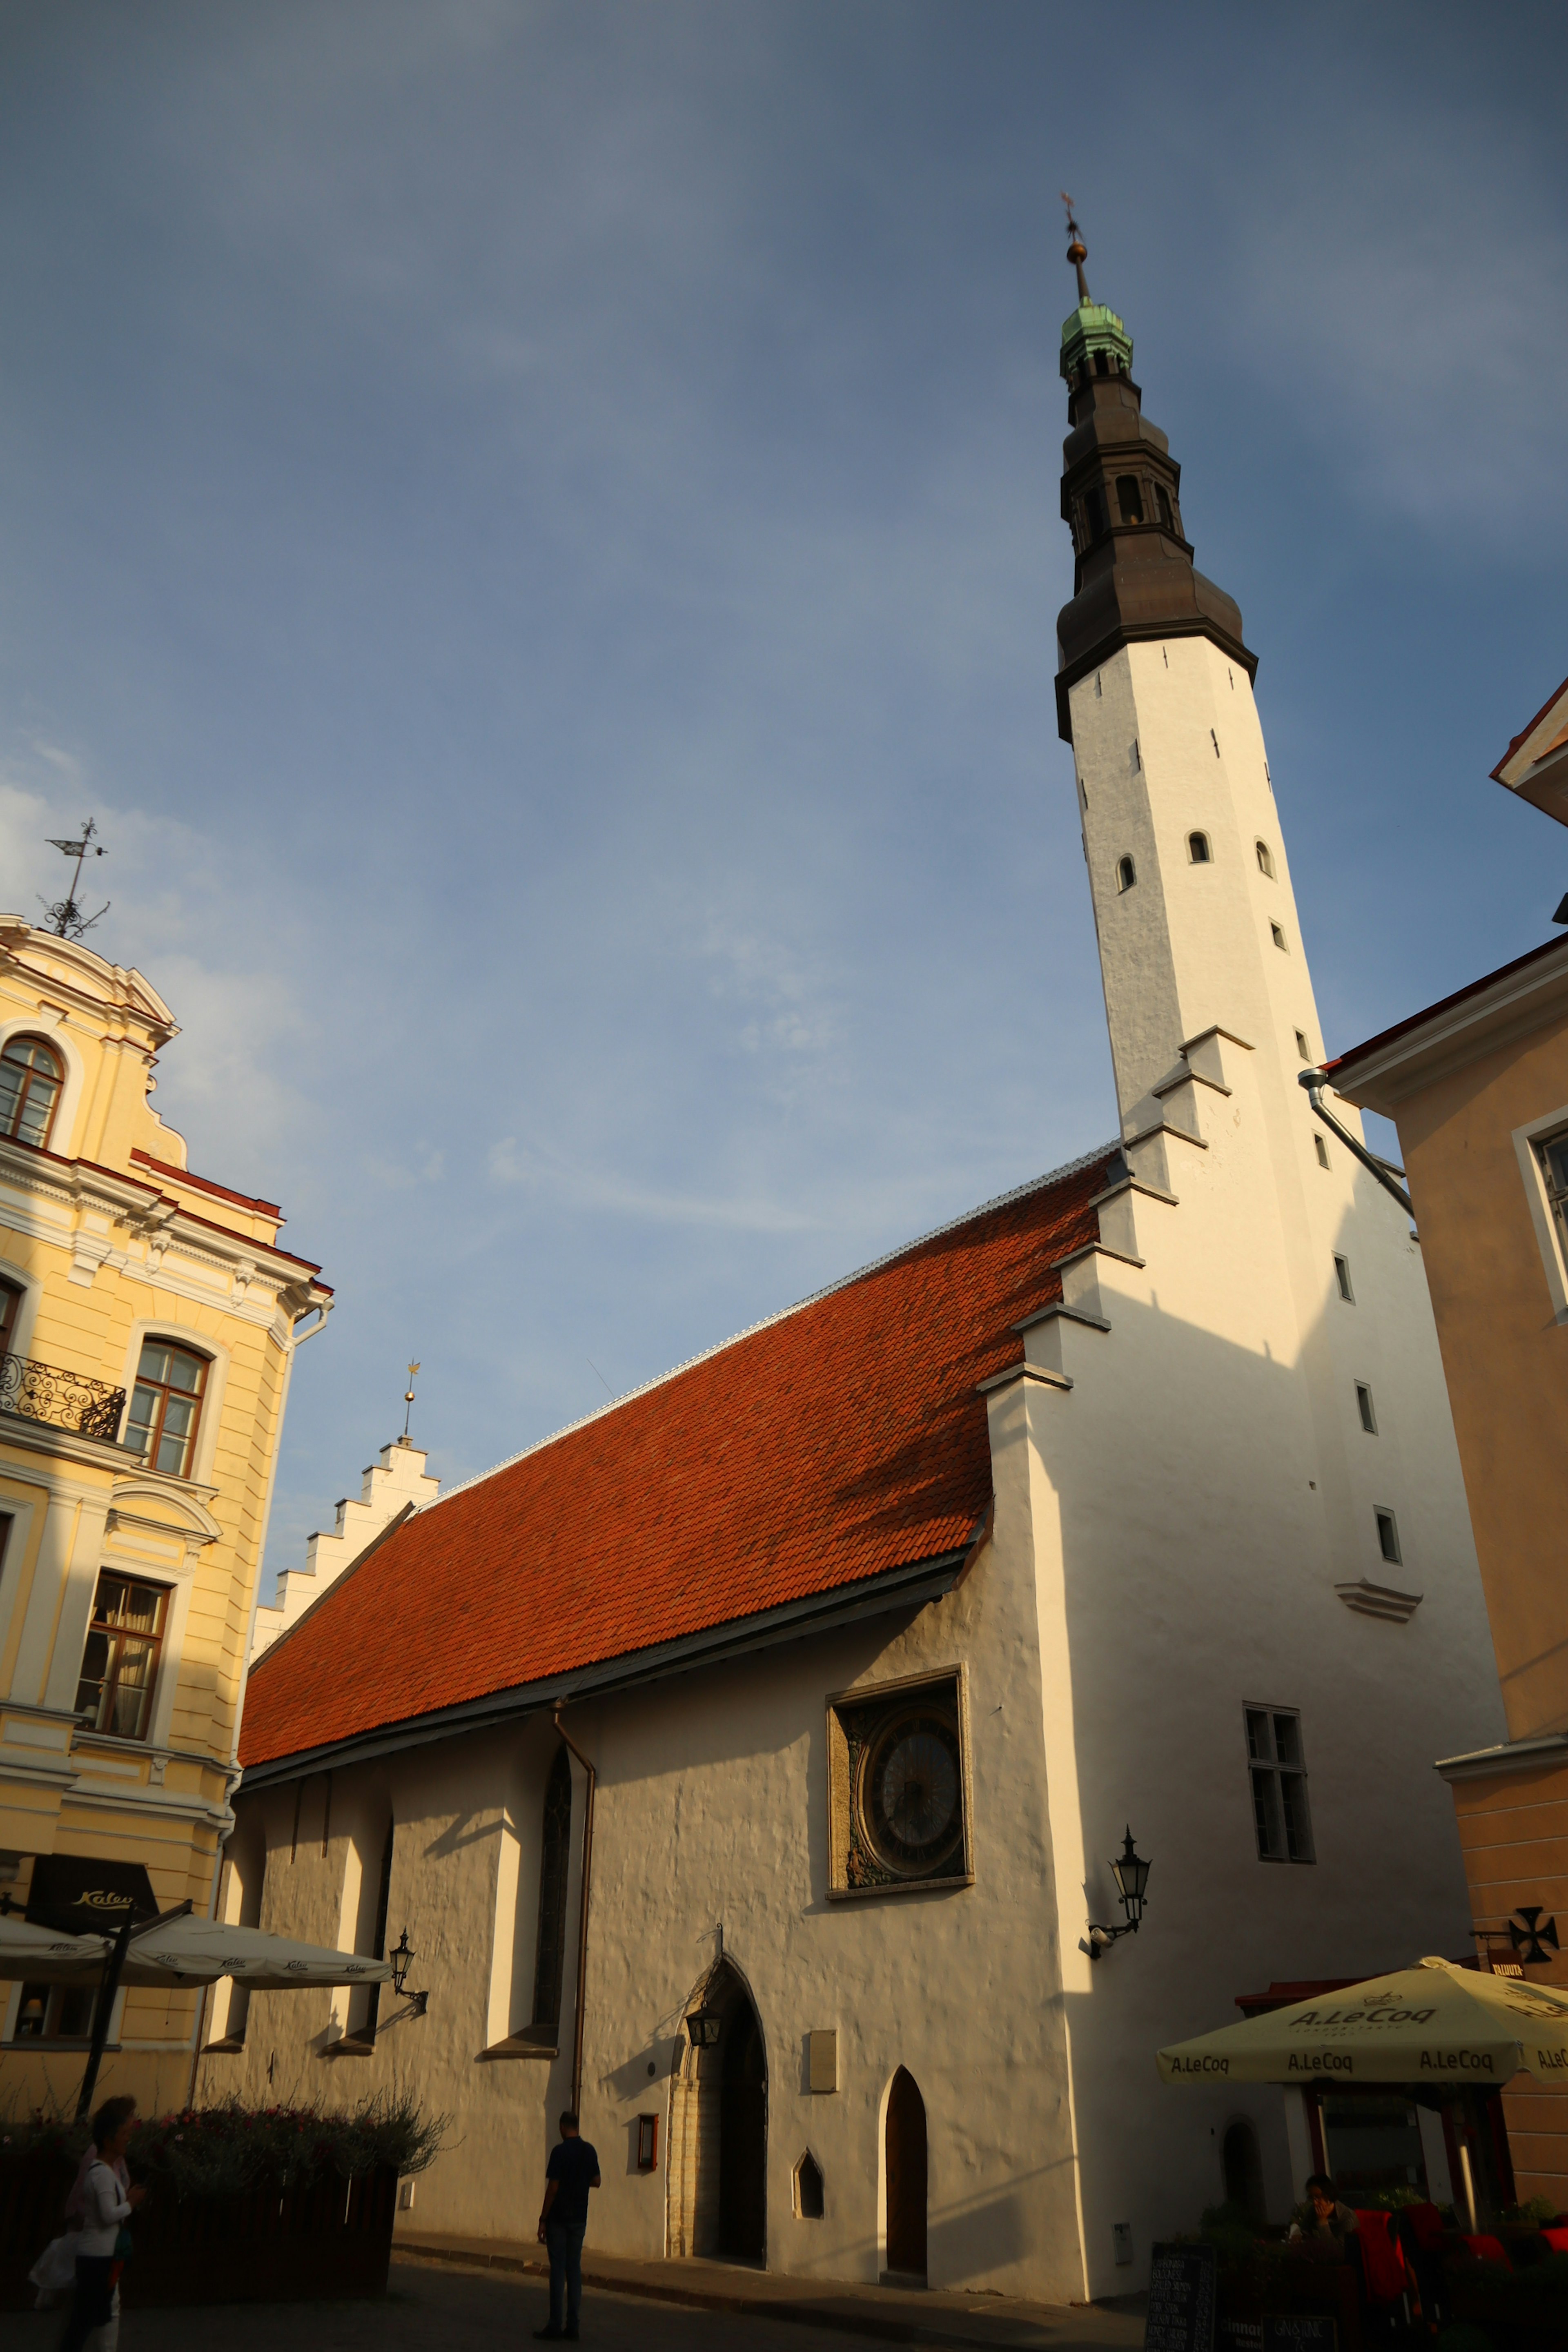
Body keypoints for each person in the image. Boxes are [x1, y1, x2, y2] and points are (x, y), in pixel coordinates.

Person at [59, 2096, 147, 2352]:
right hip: (96, 2250)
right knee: (87, 2316)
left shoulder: (114, 2163)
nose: (131, 2132)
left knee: (103, 2310)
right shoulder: (99, 2166)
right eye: (126, 2128)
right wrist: (130, 2203)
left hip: (106, 2249)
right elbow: (100, 2209)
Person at [535, 2109, 600, 2342]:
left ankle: (554, 2324)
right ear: (577, 2127)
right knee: (574, 2270)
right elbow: (597, 2181)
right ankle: (573, 2326)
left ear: (563, 2127)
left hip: (559, 2219)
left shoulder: (559, 2152)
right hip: (579, 2218)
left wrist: (543, 2219)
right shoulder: (589, 2151)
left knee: (557, 2270)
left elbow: (553, 2188)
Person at [1289, 2172, 1359, 2252]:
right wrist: (1297, 2234)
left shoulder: (1347, 2217)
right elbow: (1305, 2231)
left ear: (1328, 2195)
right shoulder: (1313, 2210)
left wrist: (1323, 2223)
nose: (1315, 2203)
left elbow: (1339, 2249)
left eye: (1318, 2197)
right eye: (1312, 2198)